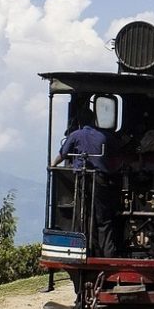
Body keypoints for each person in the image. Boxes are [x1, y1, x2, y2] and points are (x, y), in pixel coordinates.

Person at [51, 107, 116, 257]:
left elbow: (63, 153)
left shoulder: (75, 135)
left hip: (81, 179)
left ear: (79, 122)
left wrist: (53, 165)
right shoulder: (104, 136)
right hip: (100, 179)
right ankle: (108, 253)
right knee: (103, 218)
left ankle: (88, 250)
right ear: (94, 120)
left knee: (85, 215)